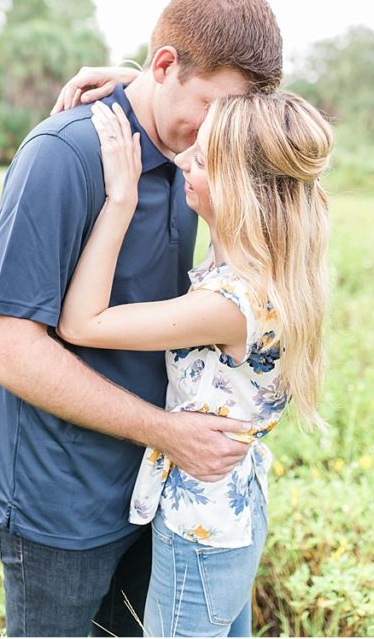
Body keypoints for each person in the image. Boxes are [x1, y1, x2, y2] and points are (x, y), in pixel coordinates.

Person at [0, 0, 284, 637]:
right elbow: (5, 348)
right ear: (168, 65)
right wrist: (166, 433)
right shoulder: (65, 157)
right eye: (212, 108)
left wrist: (136, 81)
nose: (220, 136)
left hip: (157, 500)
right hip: (63, 506)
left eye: (233, 118)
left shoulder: (197, 158)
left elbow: (290, 145)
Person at [57, 93, 331, 636]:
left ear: (240, 191)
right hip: (228, 514)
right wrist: (135, 82)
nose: (182, 160)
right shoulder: (265, 261)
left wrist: (120, 201)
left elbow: (80, 324)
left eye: (202, 161)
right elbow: (257, 128)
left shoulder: (230, 304)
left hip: (200, 530)